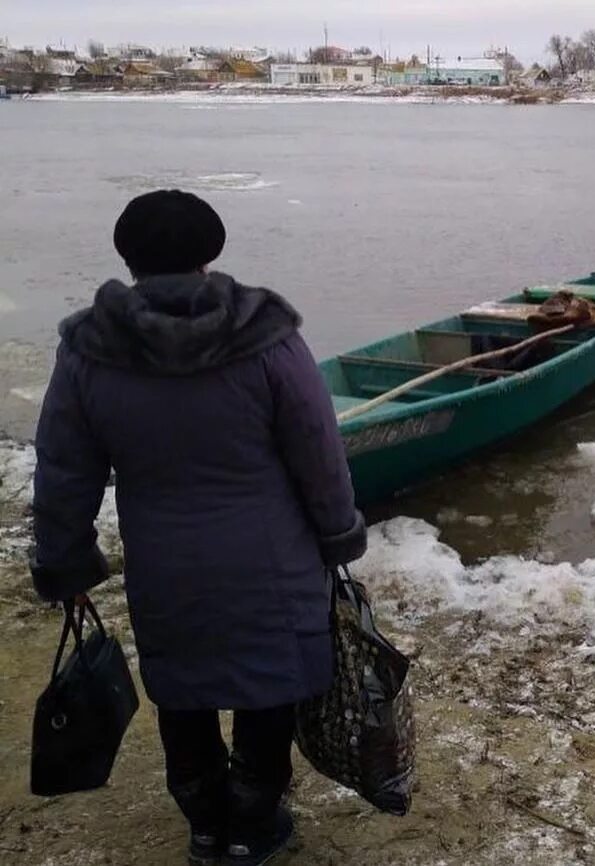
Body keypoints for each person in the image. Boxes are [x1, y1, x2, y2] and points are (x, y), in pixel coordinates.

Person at [30, 190, 367, 866]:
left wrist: (64, 562)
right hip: (269, 559)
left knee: (183, 687)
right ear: (211, 251)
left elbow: (65, 468)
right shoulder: (267, 338)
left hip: (164, 562)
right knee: (268, 687)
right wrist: (339, 536)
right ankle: (252, 822)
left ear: (127, 257)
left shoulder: (88, 350)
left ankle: (206, 824)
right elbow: (318, 452)